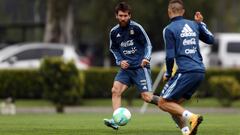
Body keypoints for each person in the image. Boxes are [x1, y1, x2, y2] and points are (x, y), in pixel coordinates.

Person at [158, 0, 214, 135]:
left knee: (162, 102)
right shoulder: (194, 25)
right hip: (200, 71)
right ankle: (186, 131)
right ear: (183, 12)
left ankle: (193, 117)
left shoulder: (169, 29)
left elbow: (170, 56)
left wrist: (168, 73)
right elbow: (211, 39)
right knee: (173, 105)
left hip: (186, 72)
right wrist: (201, 23)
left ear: (169, 12)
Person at [104, 2, 160, 130]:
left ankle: (172, 108)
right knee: (115, 91)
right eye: (120, 15)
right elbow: (114, 49)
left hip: (140, 68)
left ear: (130, 16)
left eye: (125, 15)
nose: (123, 18)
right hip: (126, 69)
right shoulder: (114, 32)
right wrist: (120, 61)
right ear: (116, 16)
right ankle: (115, 119)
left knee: (147, 97)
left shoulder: (137, 28)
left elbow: (148, 45)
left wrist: (146, 58)